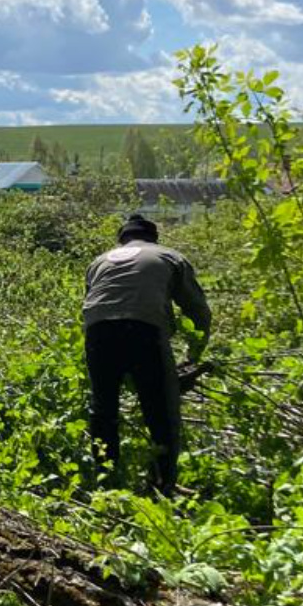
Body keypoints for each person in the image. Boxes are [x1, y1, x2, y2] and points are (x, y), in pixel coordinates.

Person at [82, 213, 211, 496]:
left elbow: (94, 303)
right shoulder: (169, 256)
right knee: (161, 412)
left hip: (98, 332)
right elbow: (198, 310)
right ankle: (161, 487)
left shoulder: (99, 262)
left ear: (122, 240)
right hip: (145, 330)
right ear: (154, 238)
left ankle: (105, 483)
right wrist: (193, 356)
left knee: (104, 409)